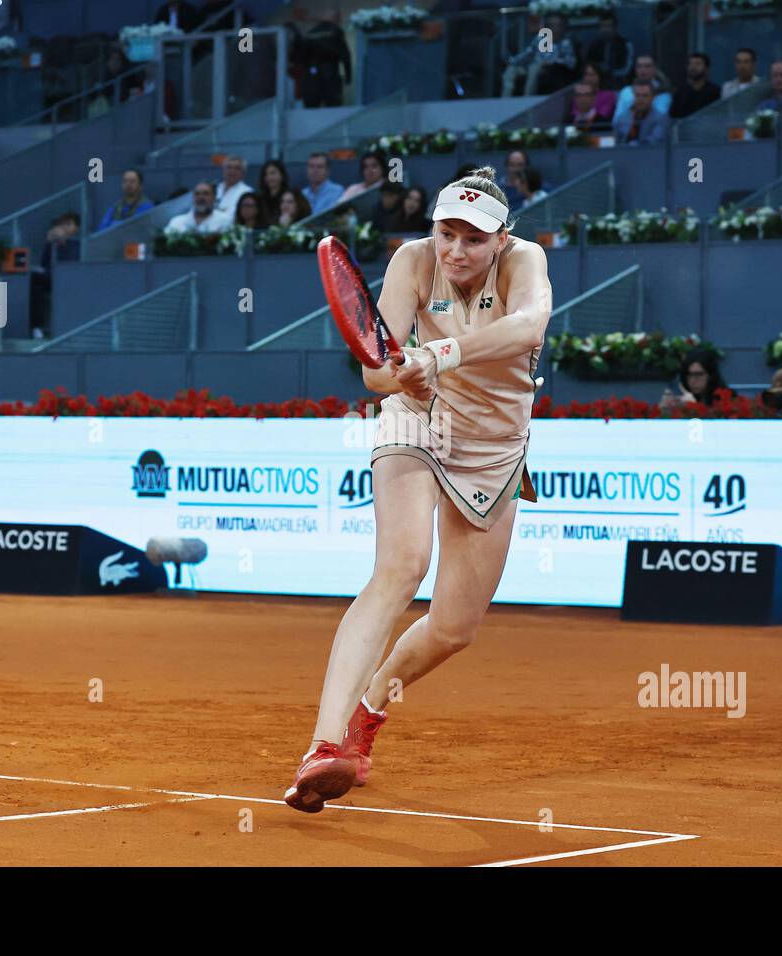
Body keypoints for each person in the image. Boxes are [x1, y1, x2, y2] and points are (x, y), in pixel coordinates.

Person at [284, 166, 550, 814]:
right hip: (418, 422)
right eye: (446, 233)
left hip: (495, 448)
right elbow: (375, 370)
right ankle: (324, 746)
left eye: (474, 239)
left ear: (501, 239)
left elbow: (529, 327)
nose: (456, 250)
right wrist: (402, 376)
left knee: (456, 627)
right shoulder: (411, 261)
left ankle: (367, 714)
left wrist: (441, 355)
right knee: (401, 567)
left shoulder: (525, 262)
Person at [501, 13, 578, 96]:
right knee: (511, 70)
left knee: (534, 68)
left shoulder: (565, 43)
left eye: (557, 25)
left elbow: (571, 63)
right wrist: (512, 61)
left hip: (547, 68)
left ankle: (527, 99)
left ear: (563, 28)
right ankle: (505, 99)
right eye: (551, 25)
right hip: (530, 66)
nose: (554, 28)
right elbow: (528, 53)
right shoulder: (540, 39)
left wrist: (552, 61)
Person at [30, 214, 81, 336]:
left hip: (70, 279)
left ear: (76, 229)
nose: (64, 227)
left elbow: (72, 263)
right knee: (34, 282)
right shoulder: (53, 243)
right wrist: (48, 243)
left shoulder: (79, 244)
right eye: (62, 224)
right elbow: (44, 263)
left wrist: (63, 244)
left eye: (68, 224)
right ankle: (37, 327)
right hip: (51, 278)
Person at [291, 16, 352, 108]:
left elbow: (301, 58)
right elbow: (345, 55)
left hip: (312, 71)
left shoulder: (310, 34)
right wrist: (348, 76)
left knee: (312, 105)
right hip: (330, 71)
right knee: (333, 106)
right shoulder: (335, 31)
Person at [660, 348, 727, 409]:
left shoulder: (726, 399)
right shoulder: (680, 396)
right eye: (689, 375)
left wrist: (692, 406)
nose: (692, 380)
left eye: (698, 374)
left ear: (711, 375)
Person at [614, 55, 672, 122]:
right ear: (635, 69)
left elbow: (662, 120)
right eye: (639, 66)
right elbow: (616, 122)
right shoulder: (626, 92)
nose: (643, 70)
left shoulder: (664, 94)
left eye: (647, 66)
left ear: (655, 69)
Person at [583, 12, 634, 88]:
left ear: (615, 27)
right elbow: (588, 65)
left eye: (609, 26)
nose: (606, 29)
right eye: (603, 26)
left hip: (620, 85)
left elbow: (628, 69)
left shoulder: (625, 44)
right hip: (598, 87)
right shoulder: (594, 45)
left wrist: (611, 72)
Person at [164, 180, 232, 235]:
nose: (201, 197)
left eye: (206, 194)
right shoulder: (176, 222)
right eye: (197, 194)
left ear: (214, 198)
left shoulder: (225, 221)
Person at [614, 80, 669, 146]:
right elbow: (616, 142)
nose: (641, 99)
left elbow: (654, 143)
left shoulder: (660, 119)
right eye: (637, 95)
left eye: (645, 96)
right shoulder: (623, 117)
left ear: (653, 97)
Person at [669, 51, 721, 119]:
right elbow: (673, 115)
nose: (693, 67)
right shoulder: (680, 92)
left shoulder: (715, 91)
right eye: (690, 64)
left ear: (706, 68)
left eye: (698, 64)